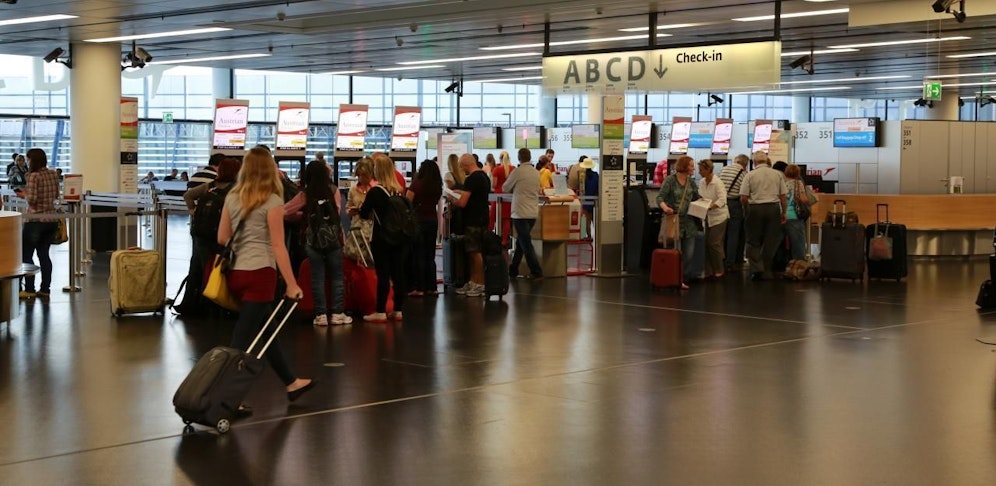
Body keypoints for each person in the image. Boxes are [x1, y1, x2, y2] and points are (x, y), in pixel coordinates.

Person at [217, 147, 313, 409]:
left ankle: (291, 382)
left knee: (266, 330)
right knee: (241, 340)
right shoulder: (272, 202)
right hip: (261, 274)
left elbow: (222, 237)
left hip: (236, 273)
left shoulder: (233, 197)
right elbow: (278, 245)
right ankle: (224, 397)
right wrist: (292, 284)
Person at [286, 160, 351, 326]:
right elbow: (336, 213)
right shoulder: (334, 190)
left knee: (317, 277)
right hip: (334, 239)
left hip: (313, 239)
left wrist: (301, 216)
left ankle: (320, 315)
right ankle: (337, 313)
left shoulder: (305, 194)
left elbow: (284, 211)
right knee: (337, 276)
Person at [181, 157, 241, 314]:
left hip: (200, 235)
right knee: (218, 269)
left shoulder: (211, 186)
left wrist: (193, 212)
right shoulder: (236, 190)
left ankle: (193, 304)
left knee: (198, 268)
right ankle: (217, 305)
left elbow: (188, 195)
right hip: (221, 236)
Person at [359, 155, 409, 322]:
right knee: (399, 273)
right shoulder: (399, 190)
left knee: (383, 274)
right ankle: (398, 310)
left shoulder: (375, 192)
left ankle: (380, 311)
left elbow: (364, 213)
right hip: (400, 237)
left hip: (381, 237)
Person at [15, 148, 60, 300]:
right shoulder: (53, 174)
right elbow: (55, 195)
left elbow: (32, 199)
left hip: (35, 220)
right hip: (51, 219)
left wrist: (24, 194)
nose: (27, 162)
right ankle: (45, 289)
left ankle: (29, 289)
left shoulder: (33, 176)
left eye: (28, 159)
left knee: (26, 255)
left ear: (32, 160)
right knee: (44, 255)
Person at [446, 153, 491, 297]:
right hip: (482, 218)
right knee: (474, 252)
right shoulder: (483, 176)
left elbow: (462, 202)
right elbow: (474, 196)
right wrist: (461, 192)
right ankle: (473, 281)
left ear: (466, 165)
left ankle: (480, 284)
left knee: (474, 253)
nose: (461, 169)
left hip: (472, 220)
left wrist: (452, 199)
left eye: (461, 166)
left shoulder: (471, 179)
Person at [740, 151, 787, 281]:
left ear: (754, 162)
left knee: (752, 240)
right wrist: (783, 212)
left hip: (755, 208)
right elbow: (783, 196)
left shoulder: (750, 175)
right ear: (767, 161)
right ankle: (767, 269)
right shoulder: (777, 174)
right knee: (771, 240)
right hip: (773, 209)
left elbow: (743, 197)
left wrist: (746, 209)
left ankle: (757, 269)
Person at [656, 155, 701, 290]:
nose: (694, 168)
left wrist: (705, 203)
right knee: (675, 252)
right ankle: (675, 278)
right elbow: (660, 197)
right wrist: (666, 208)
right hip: (674, 220)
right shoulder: (670, 180)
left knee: (689, 253)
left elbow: (696, 197)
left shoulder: (691, 182)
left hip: (689, 222)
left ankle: (682, 277)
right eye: (692, 165)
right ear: (684, 166)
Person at [503, 148, 543, 280]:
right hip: (532, 212)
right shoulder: (536, 172)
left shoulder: (517, 172)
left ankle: (536, 271)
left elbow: (505, 188)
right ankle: (513, 269)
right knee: (521, 241)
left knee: (526, 244)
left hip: (519, 212)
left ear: (519, 158)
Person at [406, 159, 443, 297]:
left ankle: (419, 287)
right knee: (430, 256)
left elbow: (408, 201)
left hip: (418, 221)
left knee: (419, 255)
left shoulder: (416, 184)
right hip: (432, 221)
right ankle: (432, 287)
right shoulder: (437, 185)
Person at [697, 160, 729, 279]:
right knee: (707, 243)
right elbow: (701, 196)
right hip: (707, 216)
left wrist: (710, 206)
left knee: (714, 243)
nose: (699, 172)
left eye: (701, 170)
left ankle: (719, 269)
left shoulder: (718, 183)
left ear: (708, 170)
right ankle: (709, 269)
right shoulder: (701, 182)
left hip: (719, 217)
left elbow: (722, 200)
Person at [720, 154, 749, 272]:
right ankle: (730, 262)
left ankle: (721, 258)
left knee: (723, 233)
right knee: (733, 233)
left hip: (722, 203)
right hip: (734, 204)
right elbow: (744, 194)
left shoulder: (723, 170)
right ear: (745, 164)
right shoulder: (744, 174)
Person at [345, 158, 375, 264]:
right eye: (359, 175)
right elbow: (348, 207)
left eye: (364, 175)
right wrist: (350, 211)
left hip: (372, 230)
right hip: (356, 229)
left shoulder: (376, 189)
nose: (361, 178)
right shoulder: (353, 190)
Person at [783, 164, 810, 262]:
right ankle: (798, 268)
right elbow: (803, 199)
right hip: (794, 216)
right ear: (798, 173)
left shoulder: (781, 183)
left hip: (781, 216)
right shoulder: (798, 184)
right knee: (798, 245)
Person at [490, 150, 514, 247]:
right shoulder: (513, 169)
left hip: (498, 196)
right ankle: (504, 240)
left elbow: (494, 185)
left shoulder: (497, 170)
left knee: (494, 217)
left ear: (499, 158)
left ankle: (494, 239)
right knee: (507, 219)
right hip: (509, 196)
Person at [580, 158, 599, 239]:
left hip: (585, 200)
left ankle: (587, 236)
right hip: (594, 200)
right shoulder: (596, 175)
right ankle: (598, 236)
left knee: (585, 219)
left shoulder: (582, 176)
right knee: (594, 219)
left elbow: (581, 189)